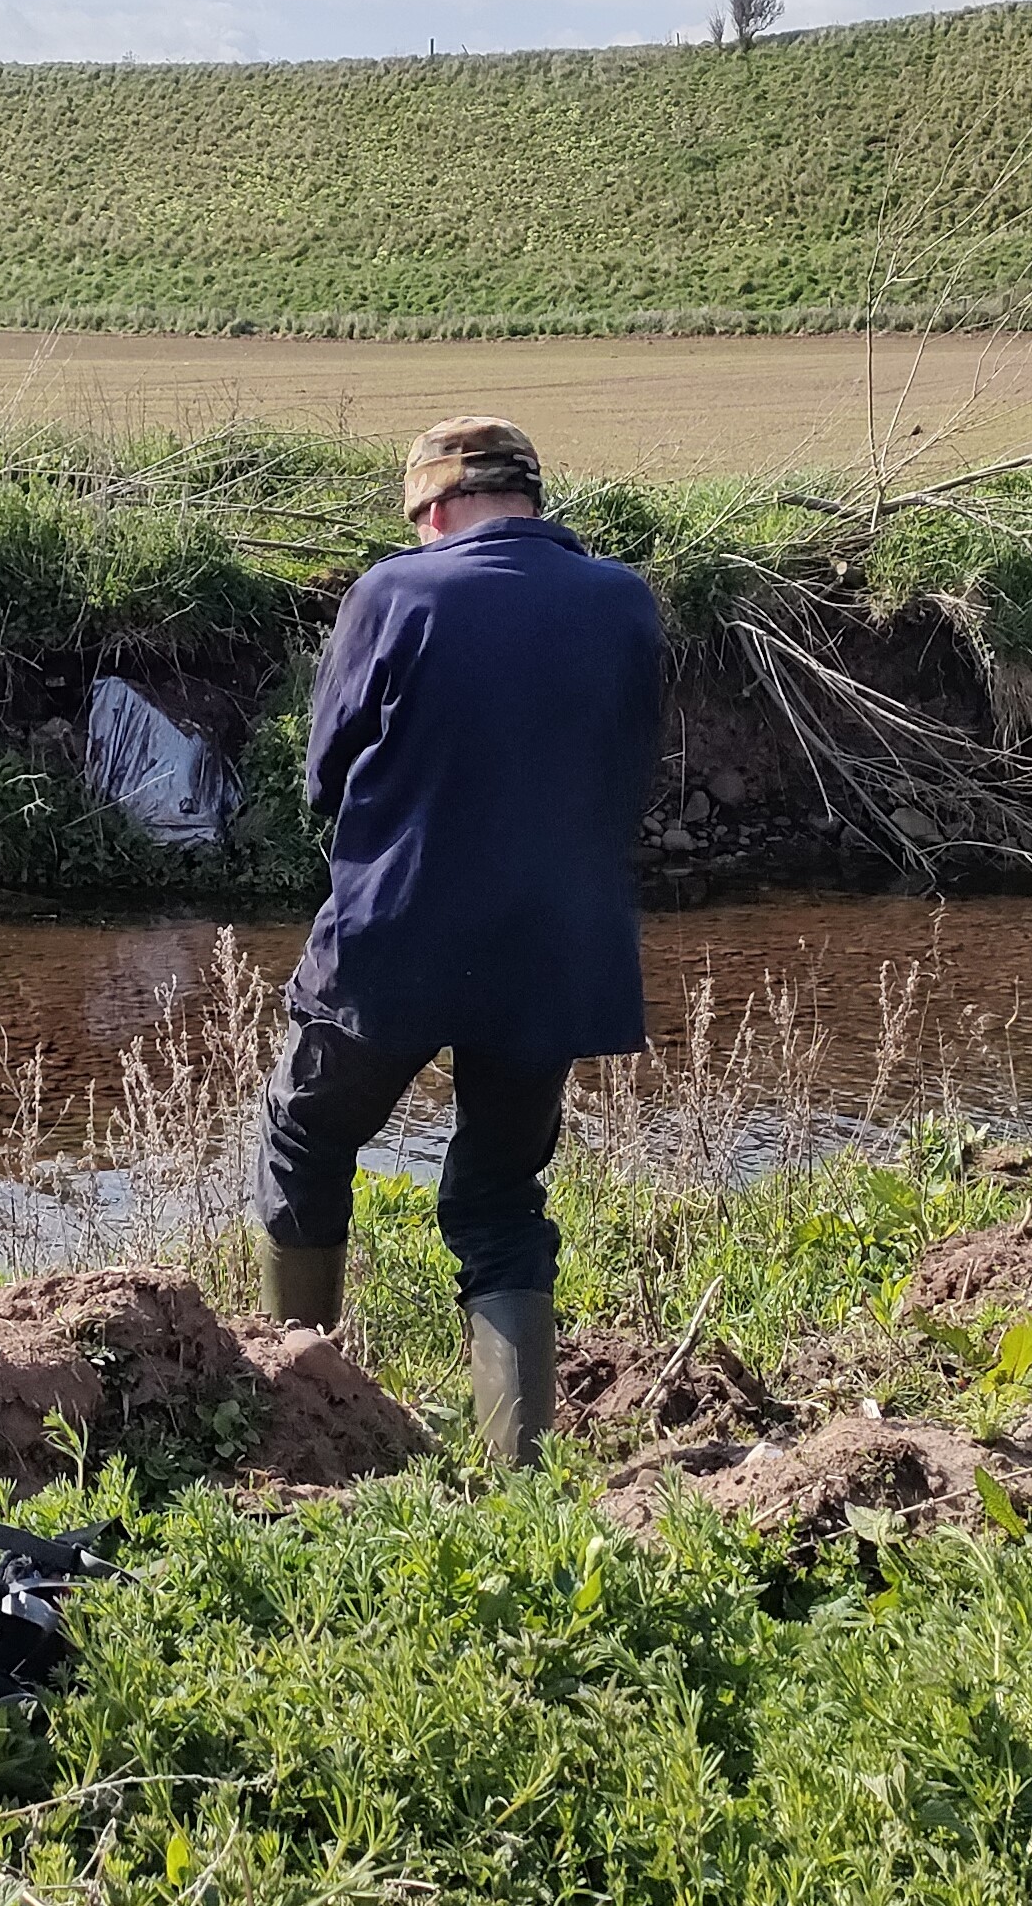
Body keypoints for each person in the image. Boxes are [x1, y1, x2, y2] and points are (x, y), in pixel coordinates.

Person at [256, 415, 665, 1467]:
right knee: (497, 1194)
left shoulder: (395, 593)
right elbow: (632, 770)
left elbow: (322, 777)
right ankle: (514, 1468)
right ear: (532, 499)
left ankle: (306, 1405)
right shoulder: (623, 602)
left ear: (430, 509)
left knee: (308, 1137)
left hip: (395, 934)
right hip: (554, 946)